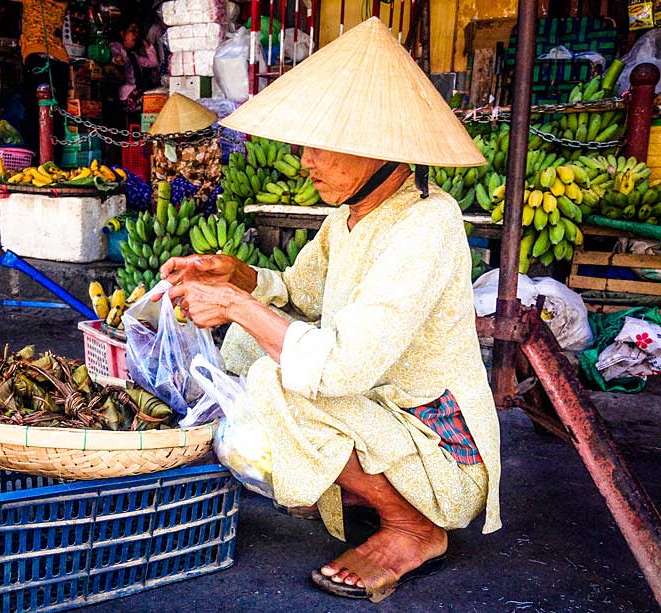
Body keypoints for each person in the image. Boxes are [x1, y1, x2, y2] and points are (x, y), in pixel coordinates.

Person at [156, 18, 501, 603]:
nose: (306, 159)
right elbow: (298, 292)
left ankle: (415, 525)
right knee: (249, 347)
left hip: (442, 449)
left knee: (277, 378)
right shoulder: (348, 217)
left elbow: (341, 367)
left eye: (321, 145)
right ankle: (361, 492)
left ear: (378, 149)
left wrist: (238, 304)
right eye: (304, 145)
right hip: (380, 414)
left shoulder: (428, 224)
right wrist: (236, 275)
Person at [109, 19, 160, 113]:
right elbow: (115, 54)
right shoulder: (117, 47)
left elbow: (154, 63)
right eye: (132, 30)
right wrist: (117, 59)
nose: (135, 34)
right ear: (122, 33)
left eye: (137, 32)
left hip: (137, 93)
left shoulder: (134, 56)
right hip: (127, 95)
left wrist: (148, 46)